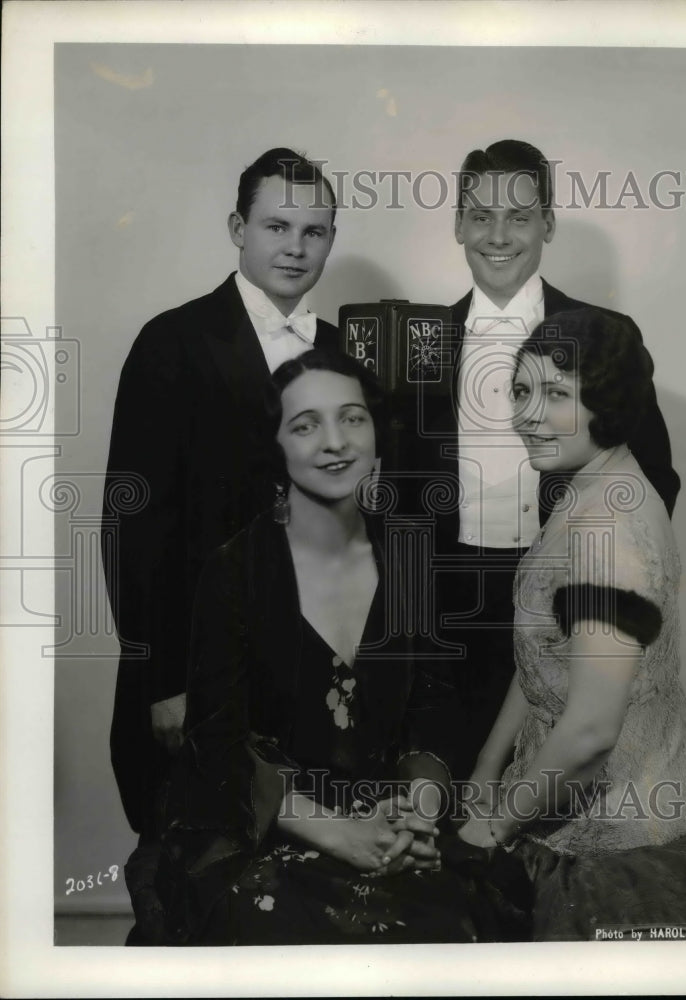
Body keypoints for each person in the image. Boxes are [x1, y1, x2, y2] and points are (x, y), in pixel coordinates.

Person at [155, 349, 482, 945]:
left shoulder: (406, 557)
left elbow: (432, 711)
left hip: (390, 820)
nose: (335, 442)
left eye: (352, 418)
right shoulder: (234, 570)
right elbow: (217, 744)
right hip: (272, 830)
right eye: (305, 426)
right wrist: (340, 835)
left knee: (461, 919)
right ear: (274, 446)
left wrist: (420, 811)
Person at [101, 148, 339, 937]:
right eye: (276, 225)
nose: (295, 248)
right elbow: (133, 528)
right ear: (239, 228)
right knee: (189, 880)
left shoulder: (340, 351)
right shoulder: (172, 342)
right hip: (191, 666)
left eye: (314, 231)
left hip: (303, 664)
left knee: (290, 893)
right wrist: (161, 677)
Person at [455, 308, 686, 940]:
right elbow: (546, 657)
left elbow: (589, 731)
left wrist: (494, 825)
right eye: (522, 391)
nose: (530, 414)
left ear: (606, 402)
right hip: (574, 804)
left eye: (557, 394)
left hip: (625, 842)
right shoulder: (598, 488)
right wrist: (486, 765)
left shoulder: (606, 535)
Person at [406, 138, 680, 778]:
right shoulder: (418, 344)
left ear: (547, 225)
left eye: (519, 217)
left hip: (563, 601)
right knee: (450, 801)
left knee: (556, 796)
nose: (497, 236)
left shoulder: (604, 332)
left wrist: (588, 581)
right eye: (480, 216)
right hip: (445, 611)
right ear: (457, 226)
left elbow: (654, 478)